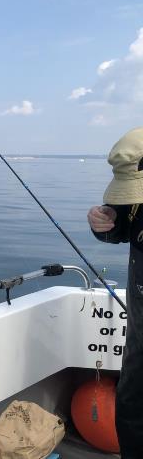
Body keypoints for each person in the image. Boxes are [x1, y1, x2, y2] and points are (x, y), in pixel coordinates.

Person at [87, 127, 143, 459]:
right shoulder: (134, 200)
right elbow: (120, 228)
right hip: (139, 328)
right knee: (132, 401)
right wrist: (101, 222)